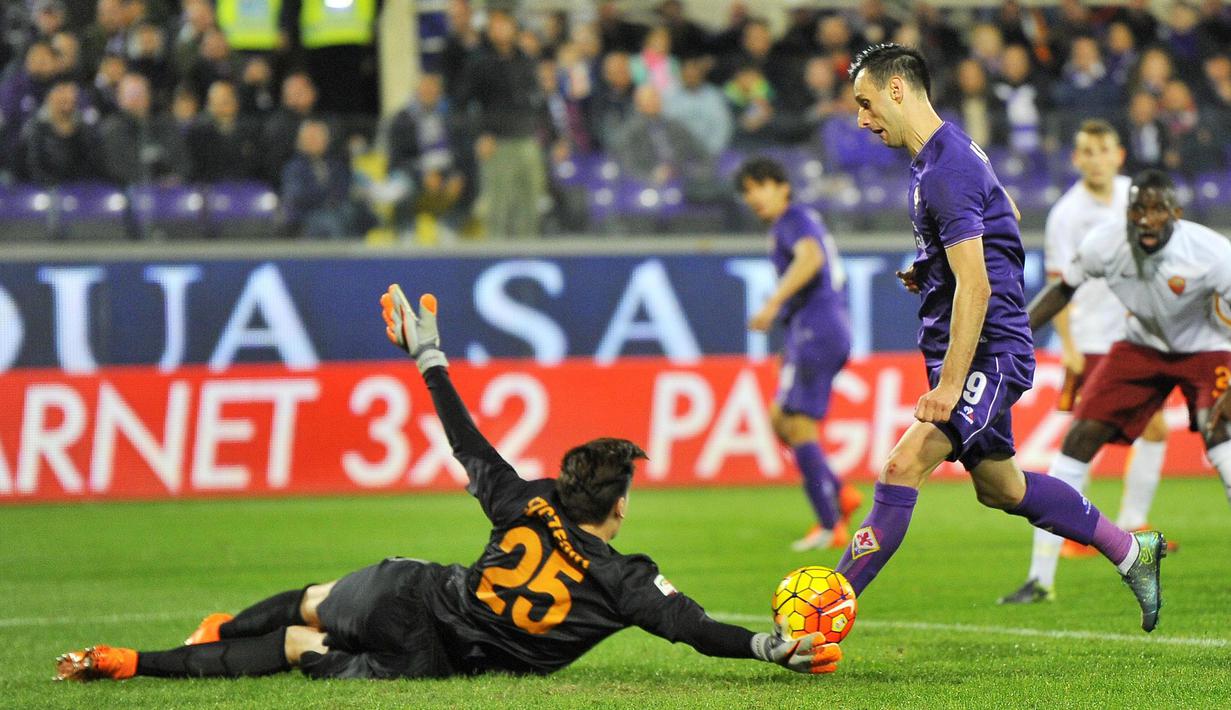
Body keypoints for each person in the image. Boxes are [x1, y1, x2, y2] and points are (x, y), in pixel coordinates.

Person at [54, 286, 843, 682]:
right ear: (620, 505)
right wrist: (769, 648)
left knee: (311, 600)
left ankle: (205, 635)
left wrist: (428, 360)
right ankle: (135, 661)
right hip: (432, 658)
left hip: (408, 592)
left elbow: (469, 447)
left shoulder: (524, 500)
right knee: (299, 645)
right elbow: (693, 629)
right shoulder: (624, 580)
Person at [842, 43, 1164, 632]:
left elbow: (978, 287)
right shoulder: (945, 154)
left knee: (901, 465)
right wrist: (933, 265)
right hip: (970, 347)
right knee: (1001, 487)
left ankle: (823, 613)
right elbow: (1006, 211)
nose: (861, 120)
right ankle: (1129, 550)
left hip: (989, 354)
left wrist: (950, 384)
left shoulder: (945, 169)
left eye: (865, 104)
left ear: (896, 90)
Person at [1003, 168, 1231, 602]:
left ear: (1175, 214)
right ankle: (1040, 579)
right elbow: (1062, 289)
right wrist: (1017, 333)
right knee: (1079, 438)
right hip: (1140, 346)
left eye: (1157, 210)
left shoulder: (1212, 253)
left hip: (1207, 348)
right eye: (1138, 209)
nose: (1146, 219)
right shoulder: (1104, 244)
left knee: (1221, 435)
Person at [999, 121, 1171, 605]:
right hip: (1096, 342)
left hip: (1139, 339)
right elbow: (1060, 285)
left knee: (1153, 431)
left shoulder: (1133, 197)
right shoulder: (1066, 215)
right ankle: (1048, 567)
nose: (1095, 158)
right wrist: (1068, 342)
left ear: (1119, 154)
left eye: (1103, 149)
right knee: (1080, 449)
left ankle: (1132, 528)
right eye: (1086, 151)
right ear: (1077, 159)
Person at [736, 157, 861, 552]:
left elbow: (811, 259)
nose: (753, 196)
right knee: (780, 419)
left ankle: (829, 524)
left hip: (817, 327)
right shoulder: (788, 224)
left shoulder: (793, 220)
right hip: (812, 330)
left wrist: (773, 303)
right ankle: (840, 493)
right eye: (747, 191)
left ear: (783, 186)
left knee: (798, 424)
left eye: (759, 185)